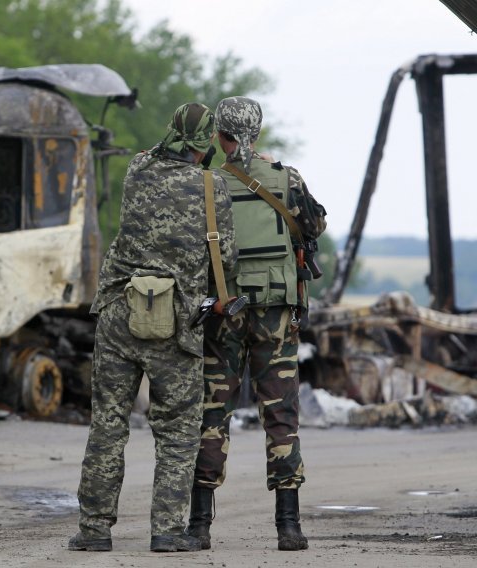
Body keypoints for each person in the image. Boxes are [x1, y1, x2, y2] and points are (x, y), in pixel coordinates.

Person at [68, 102, 236, 553]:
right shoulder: (212, 187)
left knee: (108, 424)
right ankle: (166, 531)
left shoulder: (137, 169)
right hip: (177, 321)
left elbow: (153, 152)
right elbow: (228, 260)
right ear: (205, 143)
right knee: (178, 430)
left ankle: (93, 531)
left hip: (121, 311)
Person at [188, 96, 327, 552]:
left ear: (220, 137)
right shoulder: (286, 178)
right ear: (257, 133)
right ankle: (289, 527)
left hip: (224, 312)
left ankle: (198, 527)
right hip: (275, 313)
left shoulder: (206, 184)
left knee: (213, 412)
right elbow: (316, 224)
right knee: (280, 415)